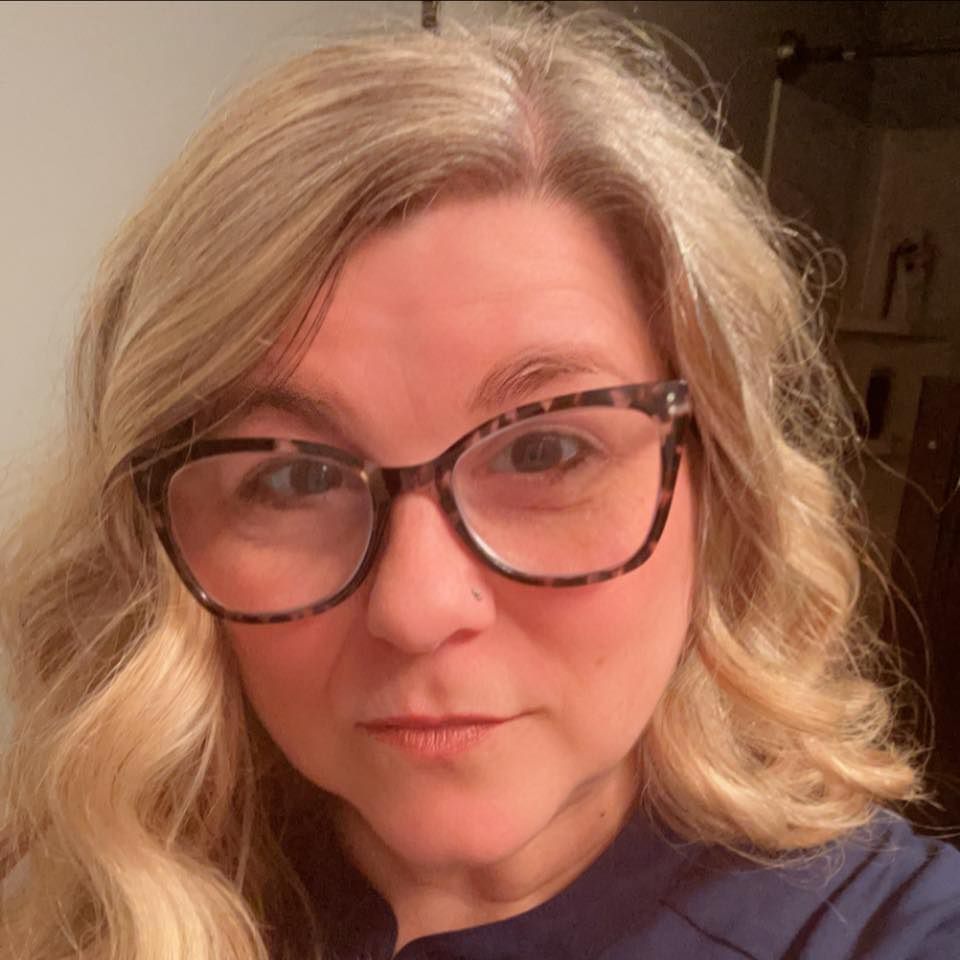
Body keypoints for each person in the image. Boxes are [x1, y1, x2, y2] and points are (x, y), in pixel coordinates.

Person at [1, 10, 958, 960]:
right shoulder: (81, 891)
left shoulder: (892, 931)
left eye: (545, 454)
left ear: (722, 491)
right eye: (292, 476)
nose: (416, 610)